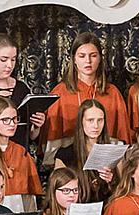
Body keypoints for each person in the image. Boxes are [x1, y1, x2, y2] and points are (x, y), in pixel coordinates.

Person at [43, 32, 131, 163]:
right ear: (74, 59)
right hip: (70, 165)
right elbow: (52, 146)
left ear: (100, 58)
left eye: (93, 55)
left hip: (105, 163)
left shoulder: (112, 93)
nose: (88, 61)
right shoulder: (60, 93)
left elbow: (121, 142)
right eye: (82, 56)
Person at [54, 100, 116, 204]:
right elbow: (58, 193)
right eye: (90, 120)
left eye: (100, 120)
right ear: (81, 122)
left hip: (106, 210)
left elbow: (122, 191)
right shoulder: (65, 155)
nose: (96, 126)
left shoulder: (113, 151)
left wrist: (111, 182)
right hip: (78, 210)